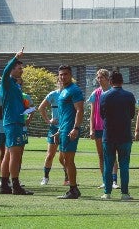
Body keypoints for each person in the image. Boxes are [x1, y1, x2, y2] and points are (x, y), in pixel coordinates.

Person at [0, 50, 34, 195]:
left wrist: (26, 108)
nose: (22, 70)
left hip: (16, 121)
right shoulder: (6, 82)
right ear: (13, 69)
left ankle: (4, 185)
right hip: (12, 122)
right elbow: (5, 71)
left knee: (8, 154)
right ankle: (15, 186)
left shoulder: (16, 85)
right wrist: (15, 58)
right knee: (15, 154)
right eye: (19, 68)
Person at [99, 71, 136, 200]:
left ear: (110, 81)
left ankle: (107, 192)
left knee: (108, 164)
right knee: (124, 165)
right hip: (124, 135)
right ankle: (125, 193)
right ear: (122, 81)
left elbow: (102, 115)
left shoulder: (104, 96)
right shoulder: (129, 96)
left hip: (108, 135)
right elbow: (132, 114)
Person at [55, 65, 85, 199]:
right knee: (62, 159)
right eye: (61, 74)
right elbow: (63, 113)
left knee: (68, 160)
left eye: (65, 74)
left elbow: (80, 110)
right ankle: (73, 186)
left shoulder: (74, 89)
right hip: (63, 129)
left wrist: (76, 128)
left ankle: (73, 189)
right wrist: (59, 130)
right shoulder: (63, 90)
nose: (63, 77)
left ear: (71, 75)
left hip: (70, 129)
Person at [87, 69, 119, 190]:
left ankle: (114, 180)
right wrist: (91, 129)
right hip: (98, 128)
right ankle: (105, 180)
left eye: (101, 77)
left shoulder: (113, 92)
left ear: (107, 78)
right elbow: (92, 114)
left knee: (111, 154)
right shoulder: (95, 93)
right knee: (101, 155)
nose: (99, 80)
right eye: (98, 77)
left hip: (110, 128)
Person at [37, 80, 69, 186]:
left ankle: (67, 178)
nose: (62, 82)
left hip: (66, 129)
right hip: (54, 129)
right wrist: (48, 121)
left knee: (64, 157)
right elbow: (41, 108)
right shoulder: (53, 94)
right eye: (60, 81)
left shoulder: (70, 94)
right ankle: (45, 177)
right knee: (50, 155)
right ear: (58, 82)